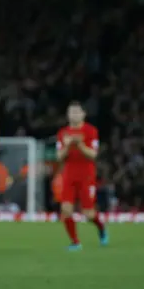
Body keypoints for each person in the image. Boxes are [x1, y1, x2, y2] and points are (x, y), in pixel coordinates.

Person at [56, 101, 108, 250]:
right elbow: (59, 157)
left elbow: (93, 155)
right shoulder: (62, 133)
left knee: (89, 213)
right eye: (71, 112)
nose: (74, 115)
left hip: (87, 176)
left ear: (83, 114)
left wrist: (79, 145)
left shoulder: (91, 131)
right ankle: (75, 242)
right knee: (66, 211)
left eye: (77, 112)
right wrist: (67, 145)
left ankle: (101, 229)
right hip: (69, 176)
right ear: (67, 115)